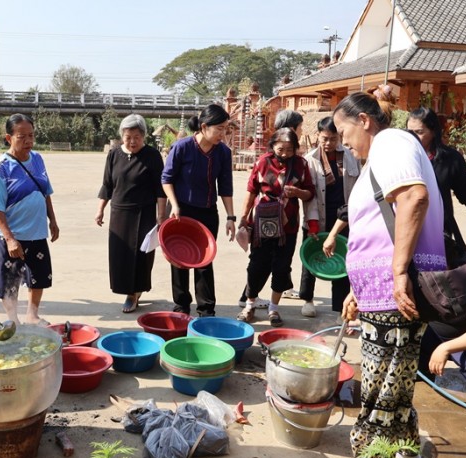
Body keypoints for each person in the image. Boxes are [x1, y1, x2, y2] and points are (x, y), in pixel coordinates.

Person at [333, 92, 446, 458]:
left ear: (364, 121)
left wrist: (398, 273)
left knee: (380, 387)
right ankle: (404, 454)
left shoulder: (391, 142)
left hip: (393, 291)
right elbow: (380, 227)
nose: (344, 143)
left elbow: (414, 197)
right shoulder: (383, 152)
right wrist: (357, 290)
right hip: (380, 292)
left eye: (344, 132)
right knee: (394, 383)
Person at [407, 107, 466, 405]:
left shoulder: (448, 159)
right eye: (410, 131)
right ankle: (423, 359)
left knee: (452, 288)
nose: (414, 136)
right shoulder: (405, 158)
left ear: (433, 131)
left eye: (420, 131)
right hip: (409, 236)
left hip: (442, 235)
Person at [161, 104, 236, 317]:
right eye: (219, 128)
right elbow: (166, 179)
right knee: (180, 259)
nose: (223, 134)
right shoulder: (182, 147)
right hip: (180, 210)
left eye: (226, 129)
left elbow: (226, 187)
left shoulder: (223, 152)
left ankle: (206, 309)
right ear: (204, 127)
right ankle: (181, 306)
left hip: (207, 212)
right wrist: (174, 205)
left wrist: (230, 217)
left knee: (204, 260)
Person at [236, 128, 315, 325]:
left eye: (289, 150)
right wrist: (243, 217)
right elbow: (251, 191)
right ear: (272, 147)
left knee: (281, 267)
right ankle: (249, 304)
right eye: (281, 149)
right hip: (262, 223)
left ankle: (274, 309)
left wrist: (297, 192)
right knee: (256, 265)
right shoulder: (262, 162)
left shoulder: (301, 164)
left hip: (288, 226)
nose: (285, 154)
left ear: (295, 148)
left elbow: (310, 193)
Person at [0, 113, 59, 326]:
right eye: (22, 137)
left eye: (31, 135)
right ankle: (13, 320)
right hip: (13, 236)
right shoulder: (1, 167)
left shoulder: (37, 159)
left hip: (37, 232)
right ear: (8, 138)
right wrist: (10, 239)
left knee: (38, 277)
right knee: (9, 281)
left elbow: (46, 191)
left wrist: (52, 220)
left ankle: (32, 315)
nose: (28, 141)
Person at [95, 114, 167, 313]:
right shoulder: (114, 154)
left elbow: (160, 189)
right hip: (119, 212)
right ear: (122, 136)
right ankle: (128, 289)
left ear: (144, 136)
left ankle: (133, 293)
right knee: (121, 255)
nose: (132, 141)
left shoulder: (152, 155)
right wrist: (100, 209)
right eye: (128, 137)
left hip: (144, 213)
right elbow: (107, 184)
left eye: (137, 137)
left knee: (140, 255)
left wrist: (161, 216)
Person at [299, 117, 360, 317]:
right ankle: (307, 299)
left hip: (344, 216)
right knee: (310, 257)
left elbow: (356, 188)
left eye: (333, 139)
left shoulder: (351, 157)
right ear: (318, 135)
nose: (328, 143)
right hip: (317, 215)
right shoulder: (310, 159)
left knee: (342, 259)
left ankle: (338, 305)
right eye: (325, 138)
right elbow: (310, 196)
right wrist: (312, 223)